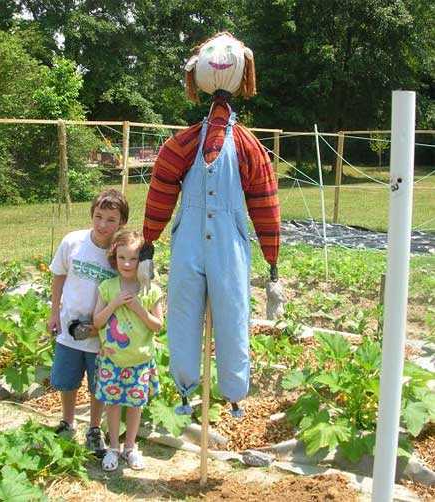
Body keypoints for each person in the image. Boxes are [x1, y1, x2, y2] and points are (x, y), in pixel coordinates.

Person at [140, 32, 281, 416]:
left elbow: (265, 206)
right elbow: (161, 191)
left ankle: (234, 390)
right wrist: (148, 240)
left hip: (229, 245)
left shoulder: (250, 149)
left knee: (233, 311)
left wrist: (272, 260)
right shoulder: (182, 145)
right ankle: (185, 385)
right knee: (183, 311)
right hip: (187, 243)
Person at [47, 189, 129, 454]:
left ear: (122, 223)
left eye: (111, 220)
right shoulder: (73, 242)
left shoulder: (118, 255)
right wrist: (53, 313)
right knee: (67, 380)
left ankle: (94, 429)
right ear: (91, 215)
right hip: (69, 329)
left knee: (99, 385)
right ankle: (67, 422)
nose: (103, 225)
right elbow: (58, 275)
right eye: (98, 216)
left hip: (102, 335)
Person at [93, 230, 162, 471]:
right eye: (122, 258)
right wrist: (114, 304)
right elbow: (97, 322)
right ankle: (113, 447)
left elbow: (158, 325)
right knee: (112, 404)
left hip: (139, 360)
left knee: (135, 405)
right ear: (115, 257)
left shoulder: (150, 289)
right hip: (112, 359)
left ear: (142, 260)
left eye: (133, 259)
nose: (127, 264)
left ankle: (130, 447)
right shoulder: (107, 287)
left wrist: (137, 308)